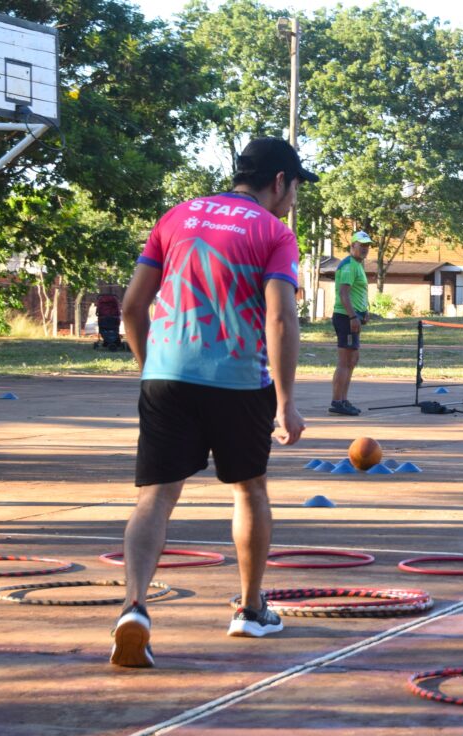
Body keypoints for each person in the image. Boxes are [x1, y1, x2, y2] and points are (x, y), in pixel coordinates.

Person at [112, 137, 313, 668]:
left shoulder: (175, 217)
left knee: (155, 497)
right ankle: (250, 609)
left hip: (167, 375)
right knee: (249, 489)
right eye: (295, 188)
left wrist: (150, 367)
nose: (294, 200)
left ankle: (134, 607)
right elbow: (280, 318)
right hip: (238, 381)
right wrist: (287, 402)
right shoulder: (274, 232)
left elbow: (133, 306)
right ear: (278, 182)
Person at [329, 231, 373, 416]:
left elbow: (357, 293)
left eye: (367, 245)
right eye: (361, 245)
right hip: (345, 318)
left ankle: (343, 400)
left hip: (352, 317)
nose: (364, 248)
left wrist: (364, 311)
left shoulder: (357, 265)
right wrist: (353, 317)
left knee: (352, 360)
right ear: (352, 246)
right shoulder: (348, 265)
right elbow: (344, 294)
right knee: (345, 361)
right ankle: (337, 401)